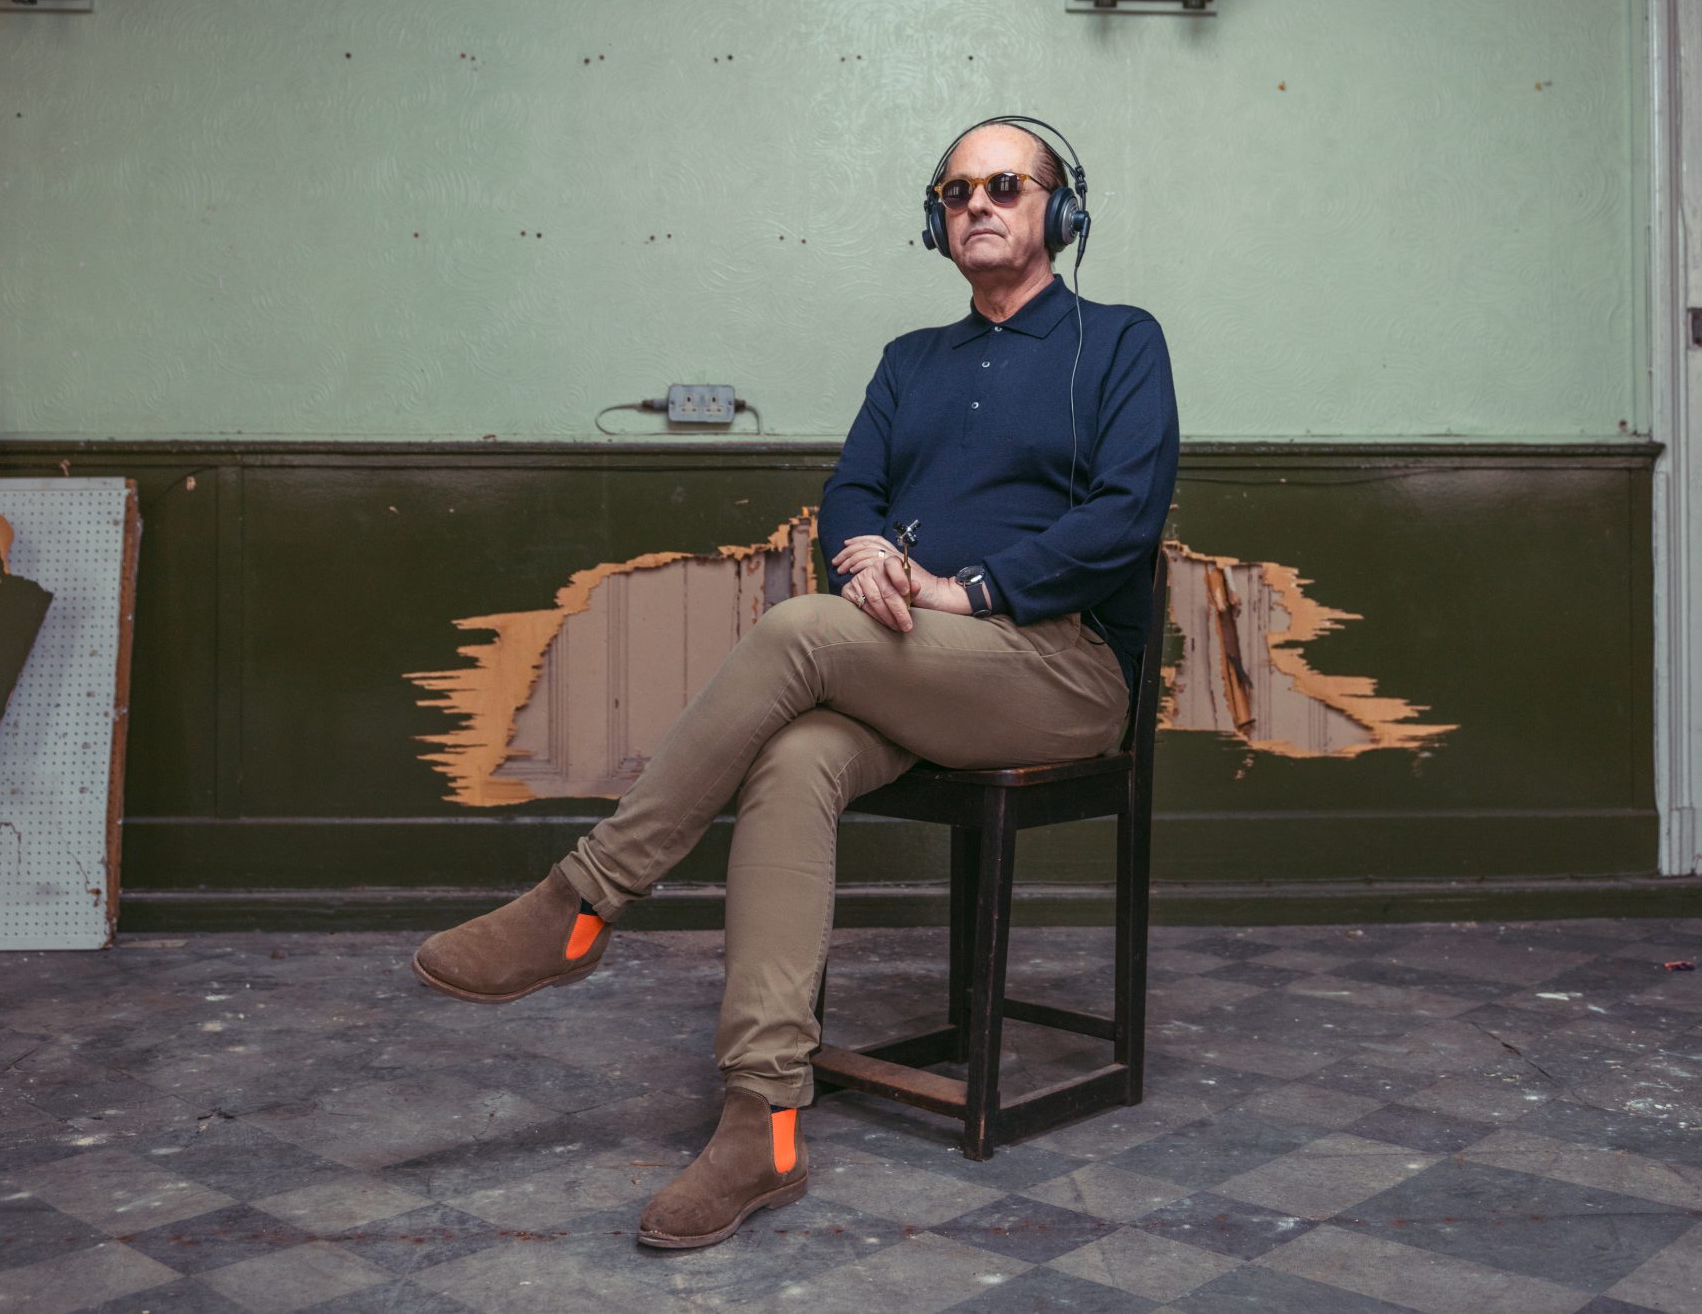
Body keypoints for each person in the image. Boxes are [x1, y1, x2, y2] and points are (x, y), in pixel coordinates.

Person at [413, 115, 1180, 1249]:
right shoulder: (909, 361)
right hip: (920, 667)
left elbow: (1126, 517)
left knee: (802, 630)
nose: (976, 203)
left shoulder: (1119, 342)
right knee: (794, 755)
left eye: (1005, 184)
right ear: (936, 221)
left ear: (1060, 211)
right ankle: (761, 1120)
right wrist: (866, 557)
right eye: (955, 191)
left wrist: (964, 589)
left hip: (1059, 670)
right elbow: (852, 491)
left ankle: (584, 898)